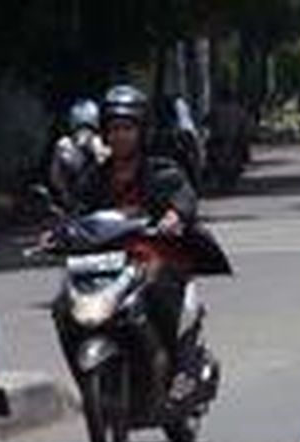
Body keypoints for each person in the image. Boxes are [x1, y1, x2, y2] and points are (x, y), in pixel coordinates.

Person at [71, 84, 229, 407]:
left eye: (127, 128)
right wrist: (58, 232)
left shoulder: (161, 170)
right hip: (108, 261)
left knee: (156, 288)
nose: (120, 136)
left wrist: (174, 215)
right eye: (113, 129)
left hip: (157, 255)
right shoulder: (94, 177)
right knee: (65, 304)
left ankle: (183, 370)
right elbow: (78, 212)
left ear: (141, 131)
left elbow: (183, 196)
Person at [48, 98, 107, 212]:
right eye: (81, 127)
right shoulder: (64, 145)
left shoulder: (100, 143)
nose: (84, 132)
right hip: (70, 204)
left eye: (87, 127)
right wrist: (66, 196)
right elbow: (55, 178)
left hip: (97, 204)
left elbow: (107, 168)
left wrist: (93, 151)